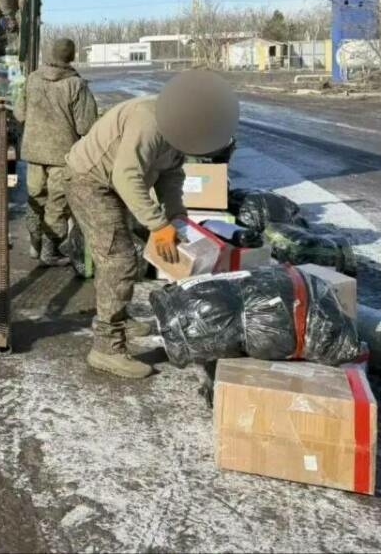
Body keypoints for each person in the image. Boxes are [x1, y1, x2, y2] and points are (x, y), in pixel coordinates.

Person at [64, 70, 239, 380]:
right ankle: (106, 345)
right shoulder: (150, 121)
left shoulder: (182, 128)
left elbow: (171, 174)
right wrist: (158, 225)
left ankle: (118, 315)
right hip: (89, 180)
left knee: (125, 253)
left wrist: (177, 217)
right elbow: (126, 175)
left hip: (115, 182)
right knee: (117, 258)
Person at [15, 39, 97, 267]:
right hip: (62, 155)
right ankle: (49, 252)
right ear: (70, 57)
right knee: (58, 204)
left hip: (33, 152)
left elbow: (19, 114)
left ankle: (35, 243)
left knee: (35, 197)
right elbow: (85, 126)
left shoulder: (32, 79)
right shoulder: (76, 85)